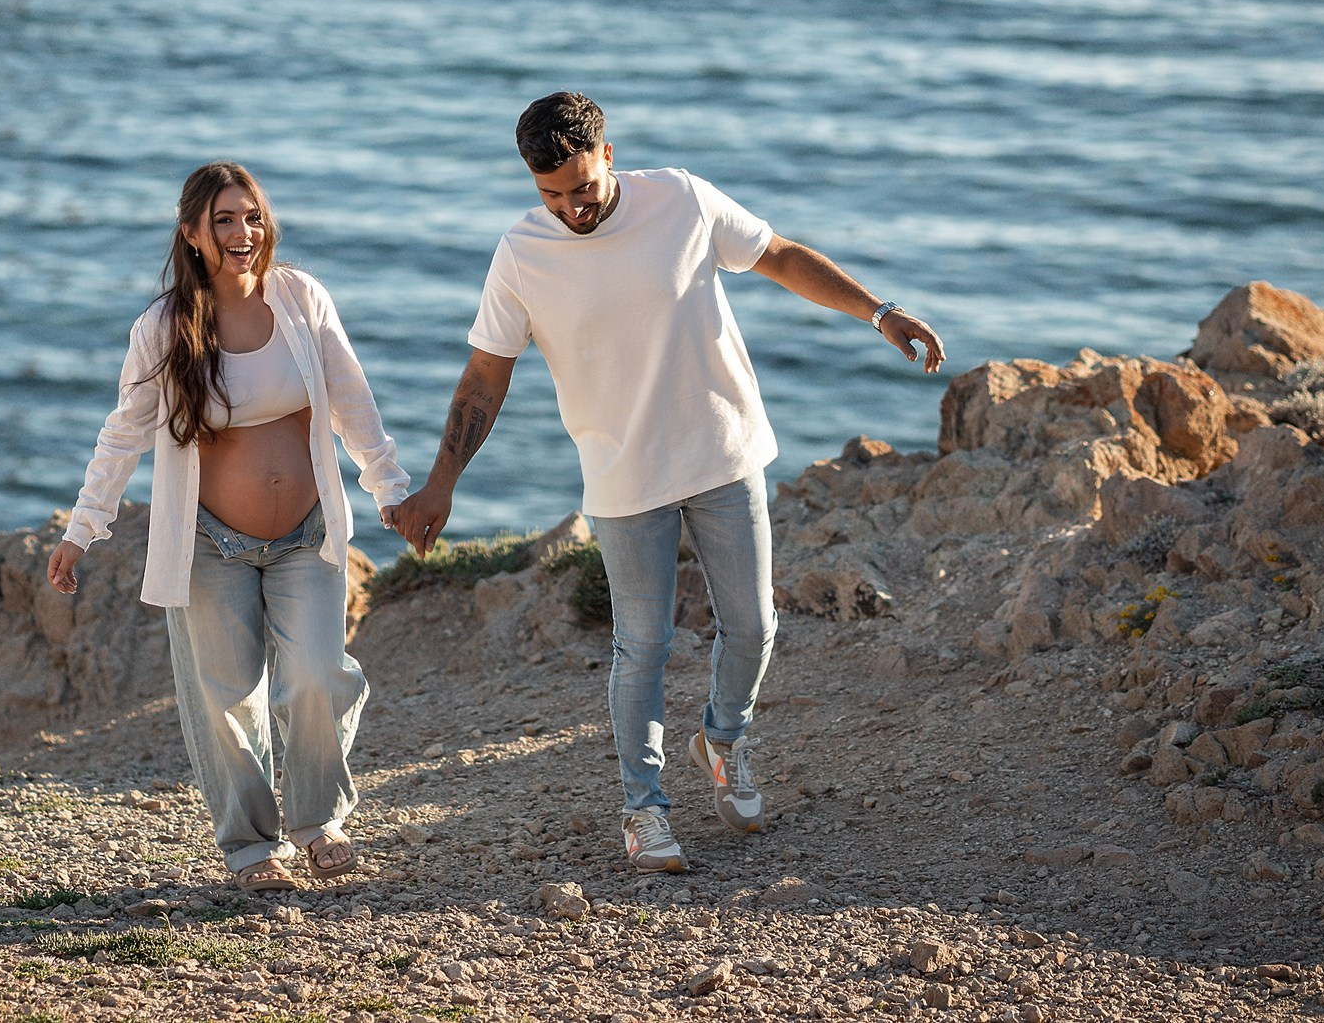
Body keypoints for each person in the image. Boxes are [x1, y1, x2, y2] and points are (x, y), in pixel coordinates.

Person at [392, 93, 944, 874]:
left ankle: (721, 740)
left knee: (753, 626)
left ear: (607, 154)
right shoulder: (521, 253)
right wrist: (441, 481)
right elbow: (485, 377)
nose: (570, 208)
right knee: (640, 646)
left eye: (581, 188)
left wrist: (878, 311)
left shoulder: (680, 198)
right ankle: (642, 811)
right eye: (551, 195)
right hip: (622, 474)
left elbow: (778, 253)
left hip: (722, 449)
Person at [47, 162, 409, 892]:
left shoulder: (302, 298)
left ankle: (318, 820)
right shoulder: (163, 328)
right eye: (222, 219)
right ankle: (250, 847)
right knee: (225, 698)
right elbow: (123, 435)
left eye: (251, 215)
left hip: (306, 533)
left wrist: (390, 489)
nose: (242, 232)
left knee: (315, 675)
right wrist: (82, 529)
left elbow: (352, 403)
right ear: (191, 234)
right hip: (210, 543)